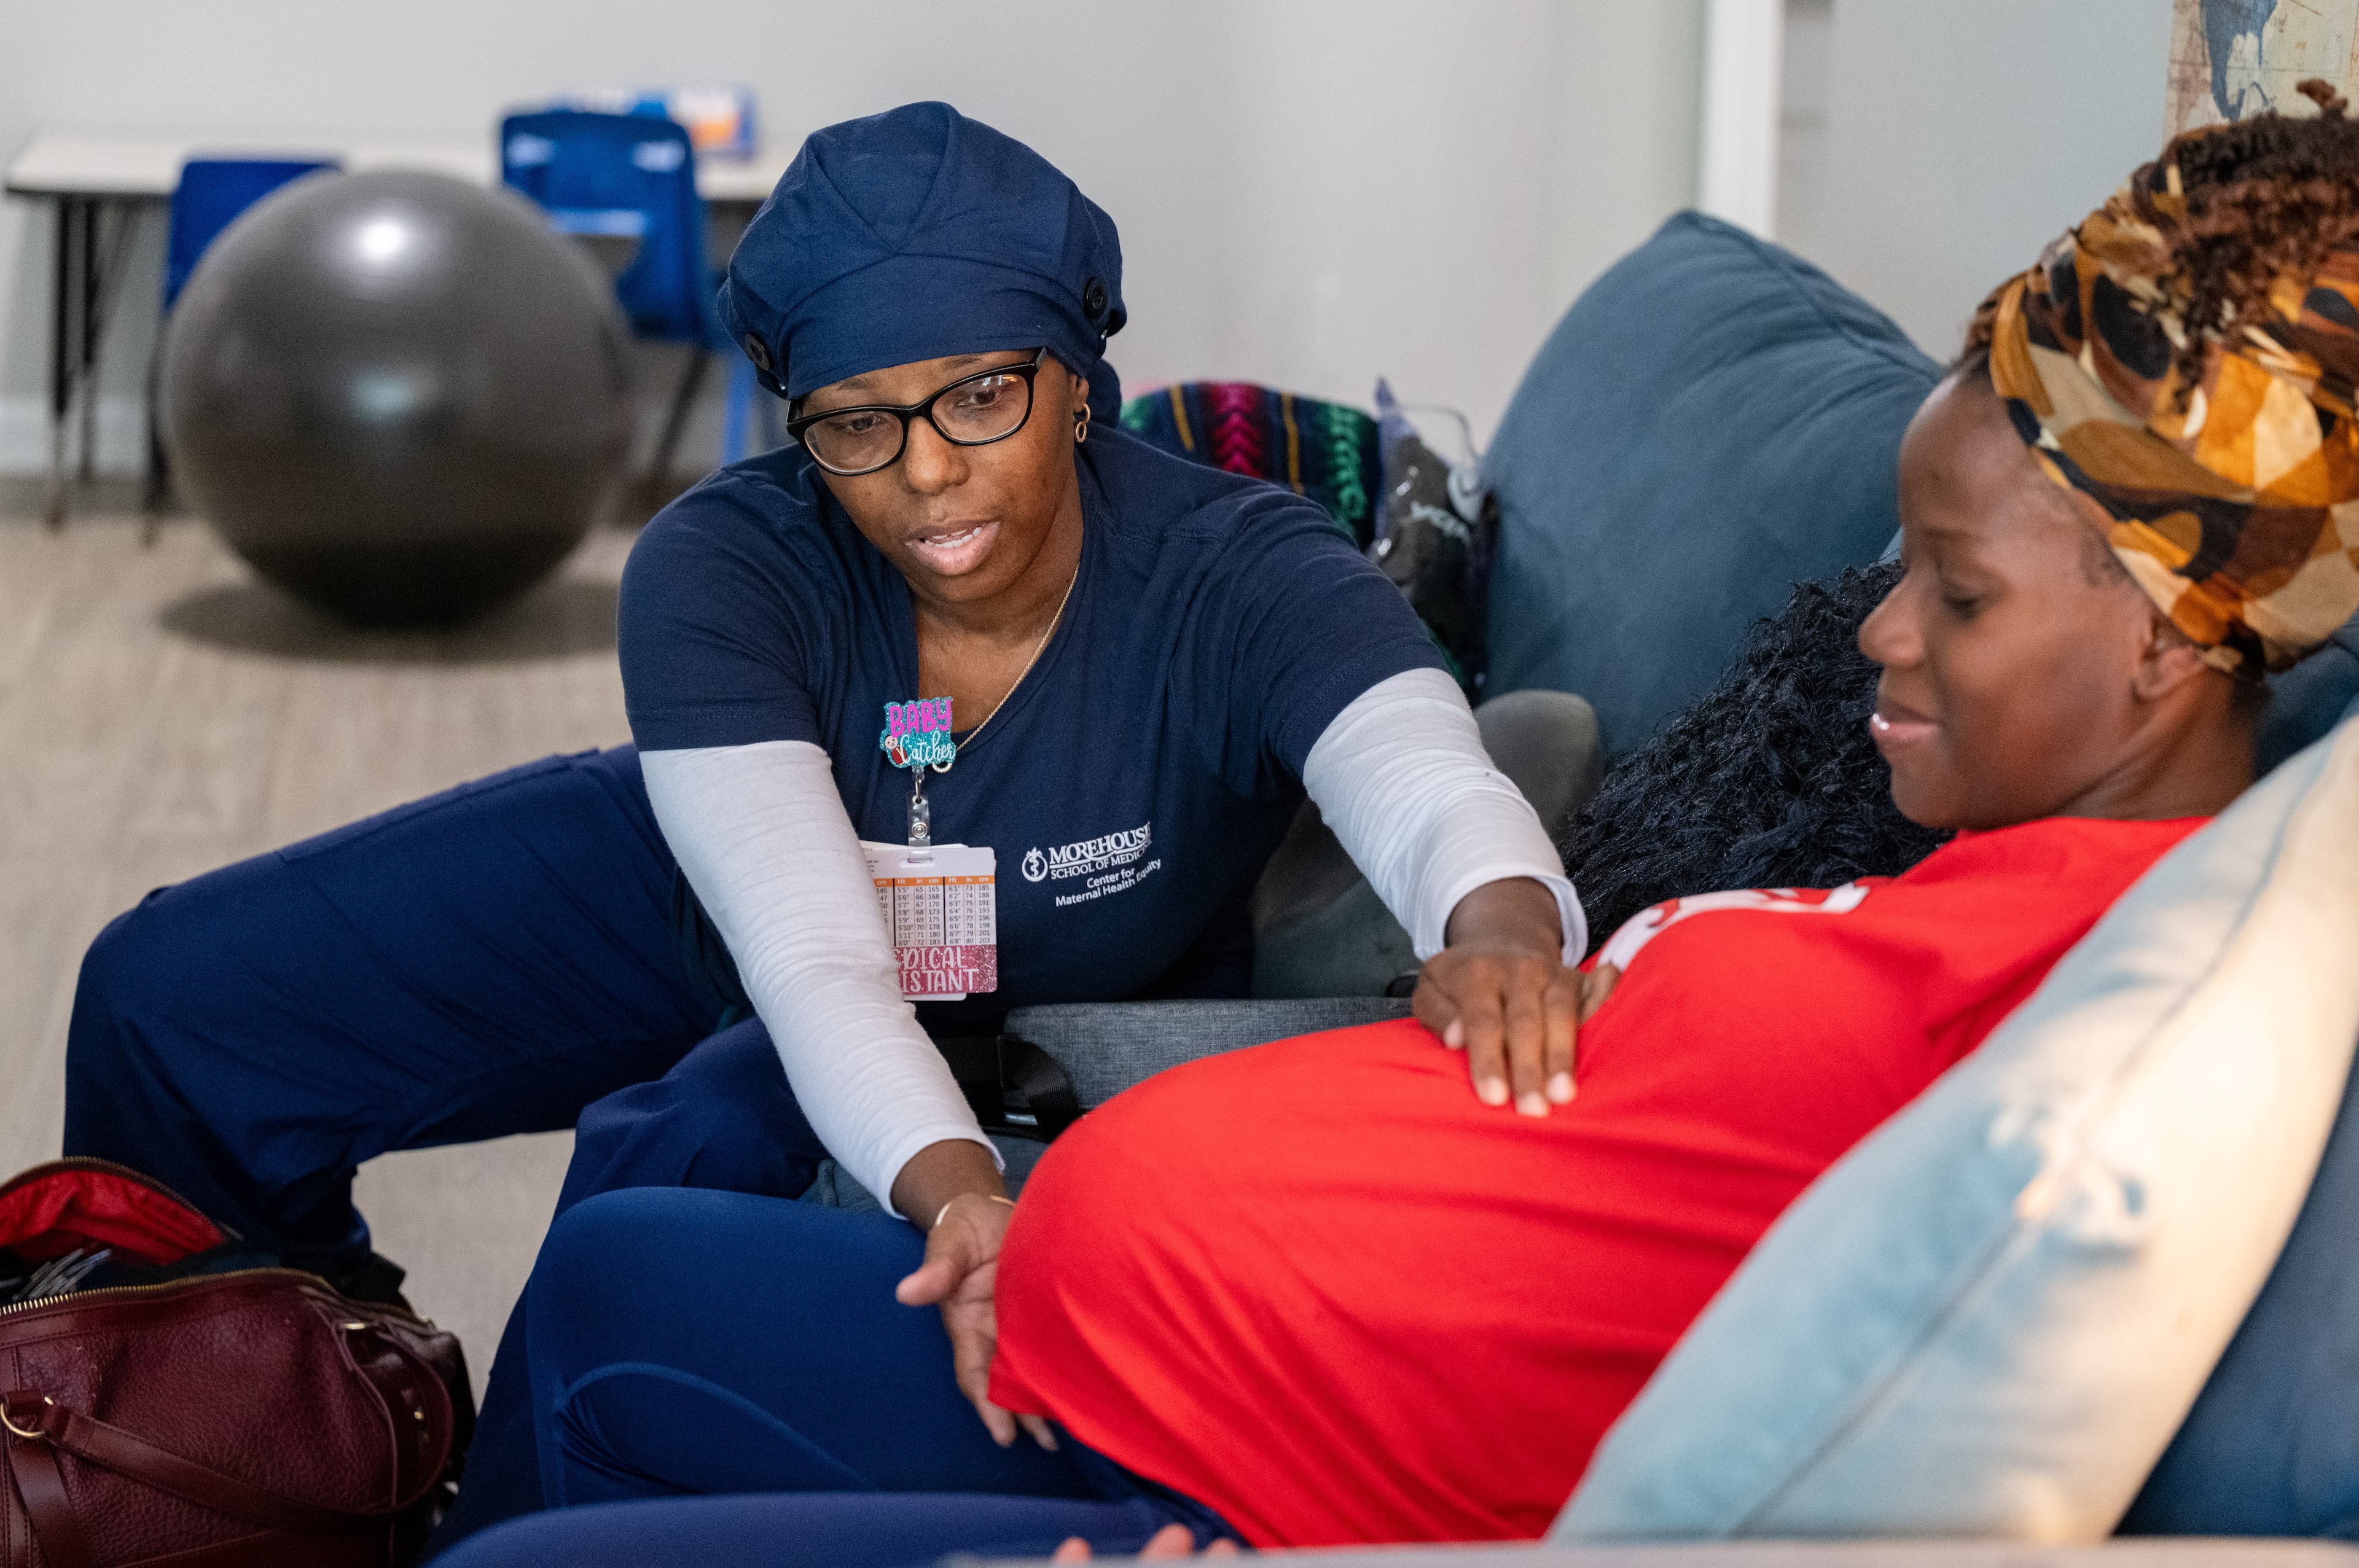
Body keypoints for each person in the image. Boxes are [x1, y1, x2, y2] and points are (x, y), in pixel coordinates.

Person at [425, 89, 2359, 1568]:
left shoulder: (2122, 1007)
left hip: (1239, 1488)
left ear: (2175, 638)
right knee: (613, 1262)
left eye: (1954, 590)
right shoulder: (2004, 881)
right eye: (861, 420)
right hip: (1110, 1345)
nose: (1876, 626)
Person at [61, 102, 1592, 1542]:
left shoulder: (1242, 567)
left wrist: (1504, 929)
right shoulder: (724, 565)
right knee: (171, 999)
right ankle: (263, 1465)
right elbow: (807, 950)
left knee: (662, 1167)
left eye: (984, 395)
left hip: (1021, 998)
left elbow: (1434, 787)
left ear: (1077, 369)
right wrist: (967, 1200)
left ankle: (497, 1530)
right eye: (857, 425)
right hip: (711, 896)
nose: (929, 474)